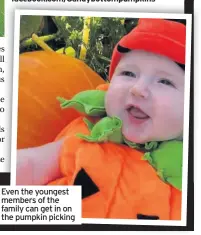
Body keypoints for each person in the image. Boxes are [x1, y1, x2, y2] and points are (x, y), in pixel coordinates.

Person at [16, 18, 186, 220]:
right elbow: (31, 166)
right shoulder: (86, 136)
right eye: (128, 73)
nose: (138, 89)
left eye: (165, 81)